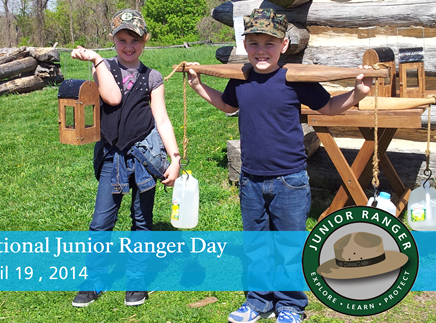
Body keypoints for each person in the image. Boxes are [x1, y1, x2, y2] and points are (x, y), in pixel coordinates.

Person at [186, 8, 373, 323]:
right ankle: (258, 302)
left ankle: (289, 305)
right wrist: (198, 86)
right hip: (251, 180)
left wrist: (356, 93)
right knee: (256, 243)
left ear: (284, 45)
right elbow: (227, 105)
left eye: (269, 43)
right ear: (245, 45)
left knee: (288, 245)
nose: (262, 50)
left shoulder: (294, 79)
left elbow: (327, 107)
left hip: (290, 180)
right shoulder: (241, 78)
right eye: (255, 43)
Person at [70, 8, 181, 308]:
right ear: (113, 40)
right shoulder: (103, 68)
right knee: (101, 222)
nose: (128, 46)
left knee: (142, 222)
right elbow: (113, 98)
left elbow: (162, 120)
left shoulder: (152, 77)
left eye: (135, 39)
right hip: (112, 158)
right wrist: (95, 60)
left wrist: (174, 157)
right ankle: (93, 281)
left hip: (144, 158)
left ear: (144, 41)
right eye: (122, 39)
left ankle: (136, 282)